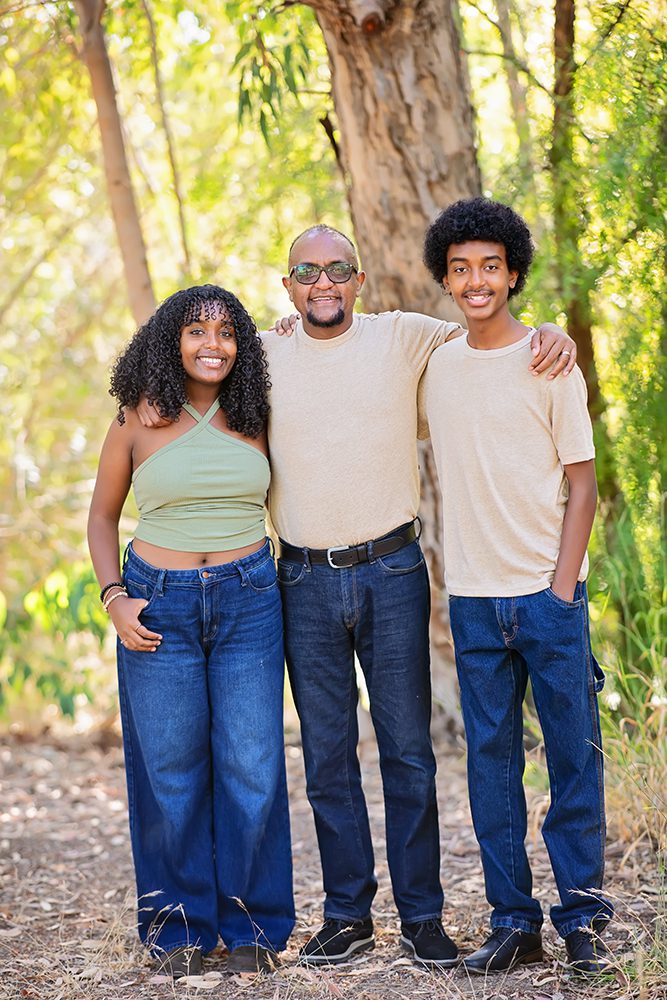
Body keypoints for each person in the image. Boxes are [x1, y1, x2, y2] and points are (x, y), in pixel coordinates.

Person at [138, 227, 577, 969]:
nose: (323, 282)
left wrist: (552, 331)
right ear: (287, 288)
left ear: (359, 278)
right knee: (328, 756)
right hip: (300, 580)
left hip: (392, 570)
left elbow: (489, 327)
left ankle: (421, 918)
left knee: (407, 753)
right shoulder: (263, 355)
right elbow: (195, 370)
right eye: (306, 272)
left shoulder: (406, 337)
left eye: (336, 269)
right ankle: (346, 916)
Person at [420, 198, 613, 976]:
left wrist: (560, 590)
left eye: (490, 267)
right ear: (444, 277)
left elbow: (583, 484)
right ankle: (512, 921)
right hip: (470, 598)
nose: (475, 281)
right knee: (491, 766)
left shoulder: (548, 360)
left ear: (513, 274)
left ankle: (584, 920)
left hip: (544, 595)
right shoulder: (434, 365)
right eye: (460, 268)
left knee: (572, 760)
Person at [87, 285, 295, 979]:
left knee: (252, 769)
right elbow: (100, 518)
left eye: (228, 332)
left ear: (244, 346)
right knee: (170, 774)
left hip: (249, 601)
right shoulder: (137, 417)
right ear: (169, 340)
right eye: (197, 331)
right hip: (157, 603)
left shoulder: (257, 413)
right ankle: (177, 929)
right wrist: (115, 598)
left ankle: (252, 929)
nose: (213, 344)